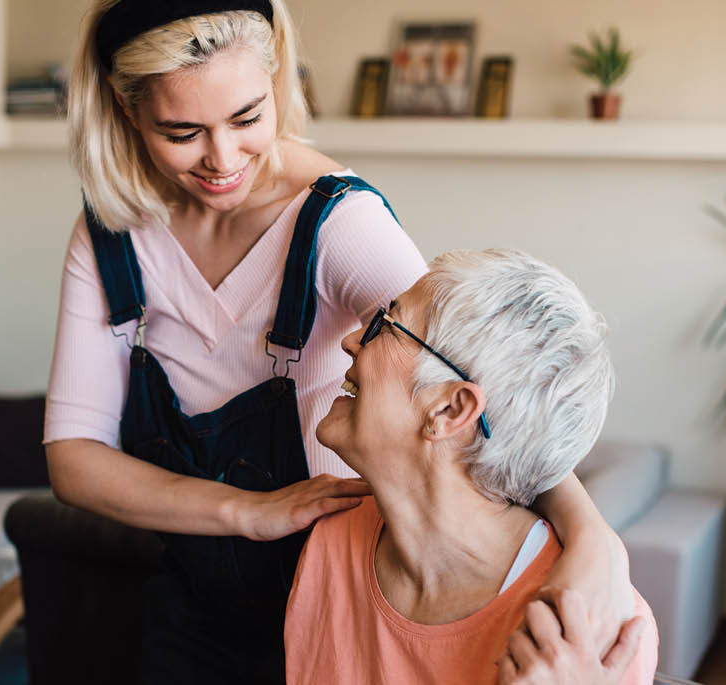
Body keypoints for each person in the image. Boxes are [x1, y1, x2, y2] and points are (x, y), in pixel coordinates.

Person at [44, 1, 635, 681]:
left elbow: (465, 387)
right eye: (183, 131)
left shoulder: (338, 221)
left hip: (342, 594)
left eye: (247, 118)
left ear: (277, 81)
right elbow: (74, 458)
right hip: (190, 606)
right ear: (125, 107)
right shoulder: (110, 234)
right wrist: (247, 511)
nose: (223, 159)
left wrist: (595, 541)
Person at [284, 249, 658, 685]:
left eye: (386, 325)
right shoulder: (334, 536)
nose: (351, 340)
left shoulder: (591, 634)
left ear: (449, 408)